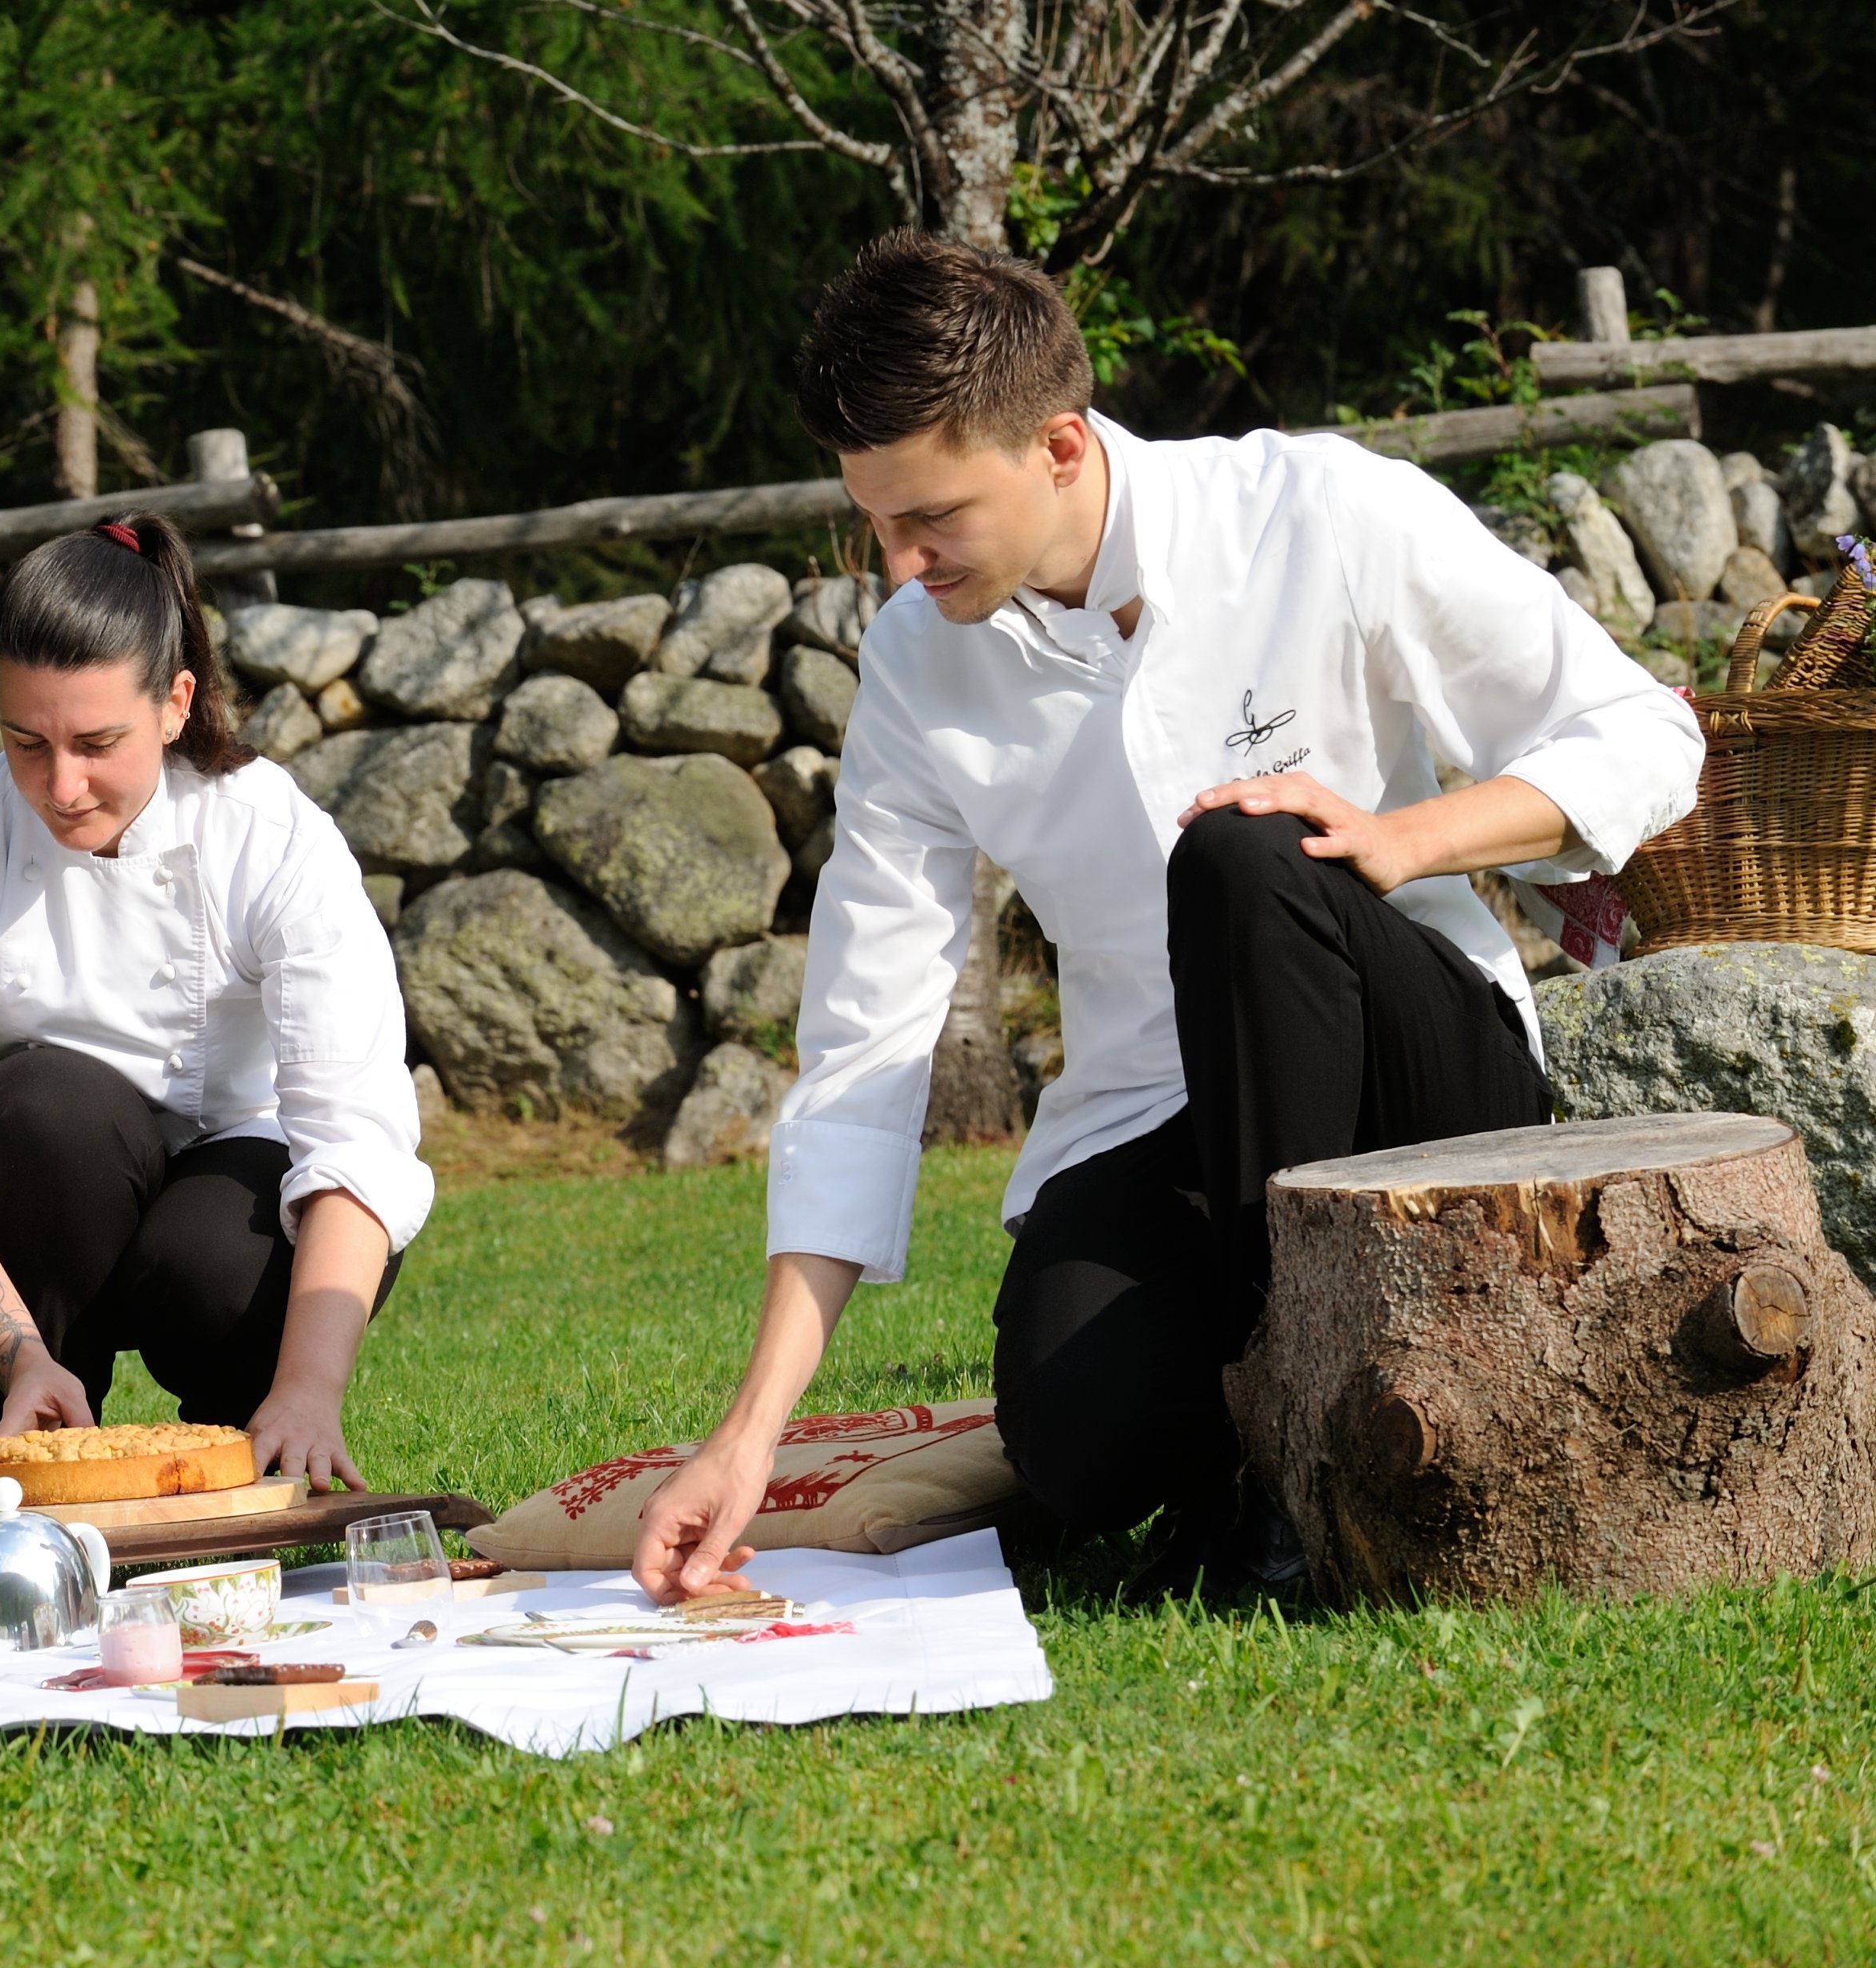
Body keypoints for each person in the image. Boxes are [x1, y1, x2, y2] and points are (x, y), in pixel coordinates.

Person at [632, 232, 1706, 1605]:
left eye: (932, 519)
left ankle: (1286, 1478)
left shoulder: (1321, 510)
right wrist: (747, 1433)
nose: (899, 566)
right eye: (875, 523)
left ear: (1061, 448)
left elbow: (1645, 737)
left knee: (1242, 853)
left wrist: (1399, 837)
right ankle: (1254, 1432)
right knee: (1075, 1441)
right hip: (1163, 1112)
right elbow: (864, 1040)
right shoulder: (913, 659)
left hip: (1425, 1077)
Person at [0, 512, 430, 1490]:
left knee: (210, 1263)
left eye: (95, 742)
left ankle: (255, 1445)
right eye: (25, 741)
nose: (59, 785)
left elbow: (354, 1139)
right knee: (38, 1111)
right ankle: (42, 1428)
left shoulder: (275, 836)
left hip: (244, 1177)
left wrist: (312, 1387)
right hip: (63, 1193)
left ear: (174, 703)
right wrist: (15, 1350)